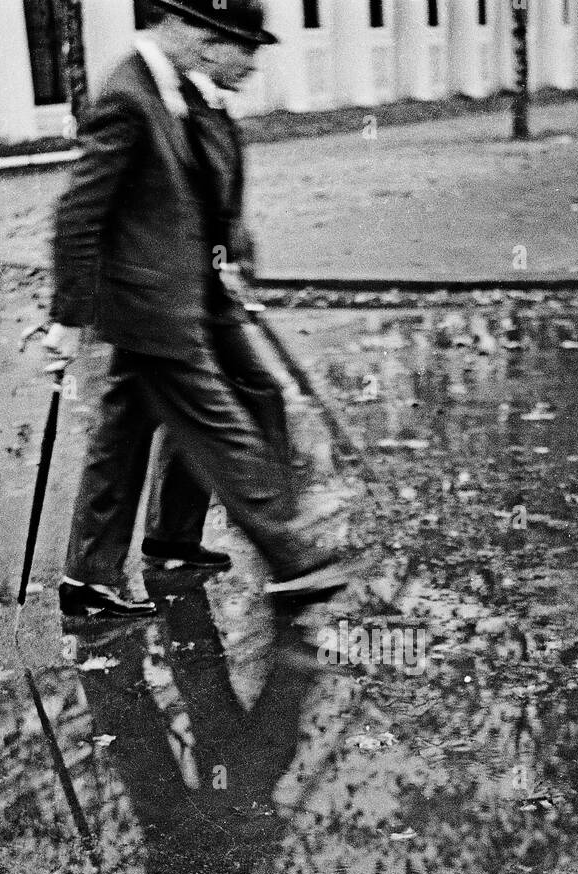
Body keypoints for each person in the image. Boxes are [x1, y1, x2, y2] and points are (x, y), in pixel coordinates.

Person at [46, 0, 347, 620]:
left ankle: (138, 555)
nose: (220, 50)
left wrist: (231, 262)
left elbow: (207, 199)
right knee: (221, 423)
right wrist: (68, 319)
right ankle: (294, 558)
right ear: (180, 26)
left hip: (194, 294)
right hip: (148, 304)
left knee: (130, 431)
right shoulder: (127, 95)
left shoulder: (179, 89)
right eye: (216, 35)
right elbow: (79, 213)